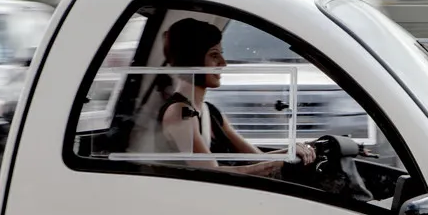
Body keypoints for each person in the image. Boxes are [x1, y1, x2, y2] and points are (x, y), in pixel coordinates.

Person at [133, 17, 315, 175]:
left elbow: (254, 157)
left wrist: (293, 151)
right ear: (192, 60)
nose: (223, 63)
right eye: (214, 55)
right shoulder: (179, 113)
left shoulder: (210, 112)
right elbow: (212, 173)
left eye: (221, 54)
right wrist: (278, 164)